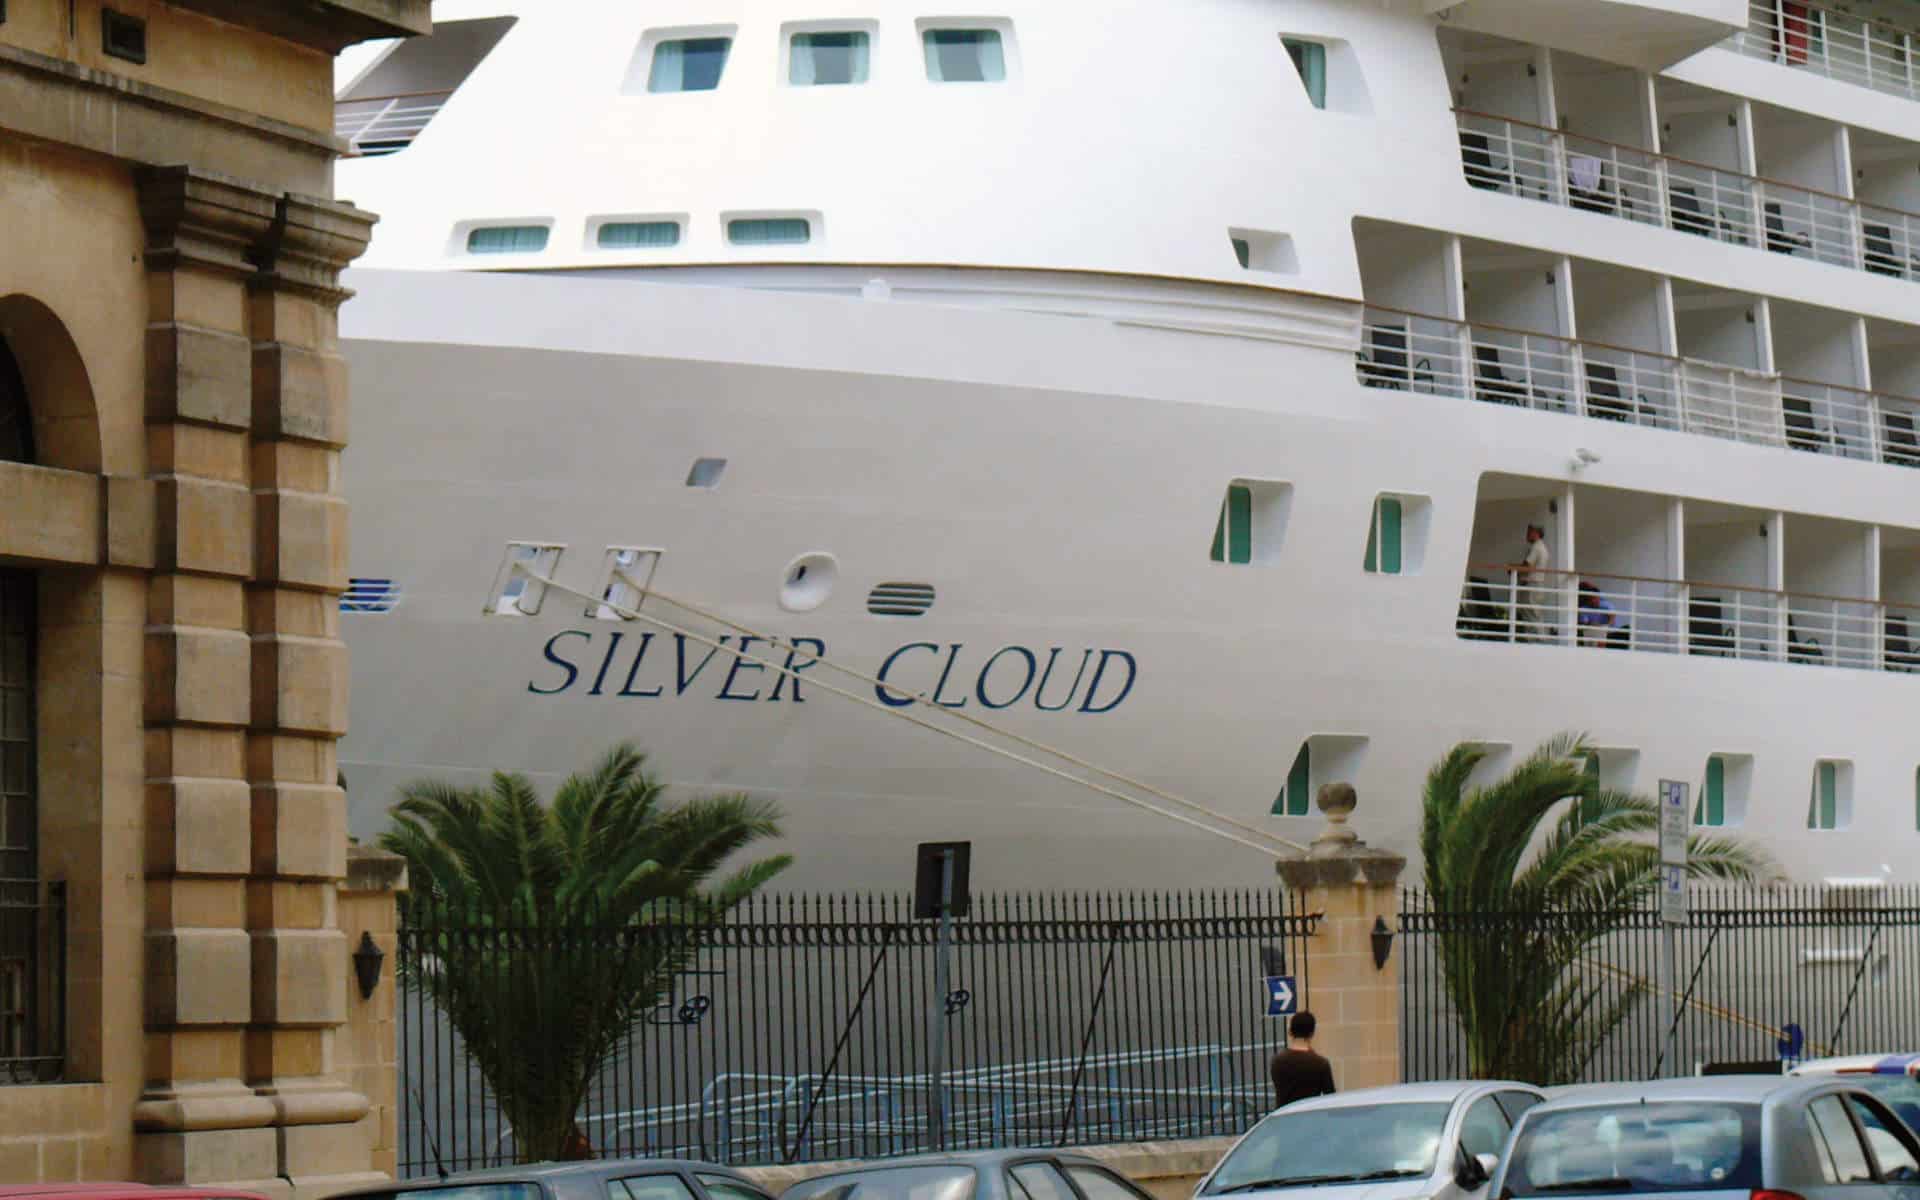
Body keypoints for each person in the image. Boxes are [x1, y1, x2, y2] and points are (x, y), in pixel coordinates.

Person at [1270, 1011, 1336, 1109]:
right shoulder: (1320, 1063)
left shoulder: (1277, 1061)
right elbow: (1330, 1097)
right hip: (1309, 1118)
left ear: (1290, 1031)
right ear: (1312, 1033)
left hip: (1284, 1118)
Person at [1516, 524, 1552, 641]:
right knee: (1535, 615)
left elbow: (1527, 566)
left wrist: (1513, 568)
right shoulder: (1542, 547)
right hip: (1537, 585)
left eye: (1529, 532)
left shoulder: (1536, 547)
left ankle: (1535, 643)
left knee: (1530, 615)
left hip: (1532, 585)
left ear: (1536, 533)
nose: (1527, 535)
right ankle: (1538, 641)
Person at [1577, 581, 1624, 647]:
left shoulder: (1605, 604)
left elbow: (1612, 616)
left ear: (1599, 597)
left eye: (1595, 598)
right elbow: (1585, 623)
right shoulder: (1584, 609)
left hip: (1610, 632)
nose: (1594, 601)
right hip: (1594, 632)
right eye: (1591, 599)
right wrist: (1591, 624)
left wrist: (1606, 627)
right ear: (1588, 599)